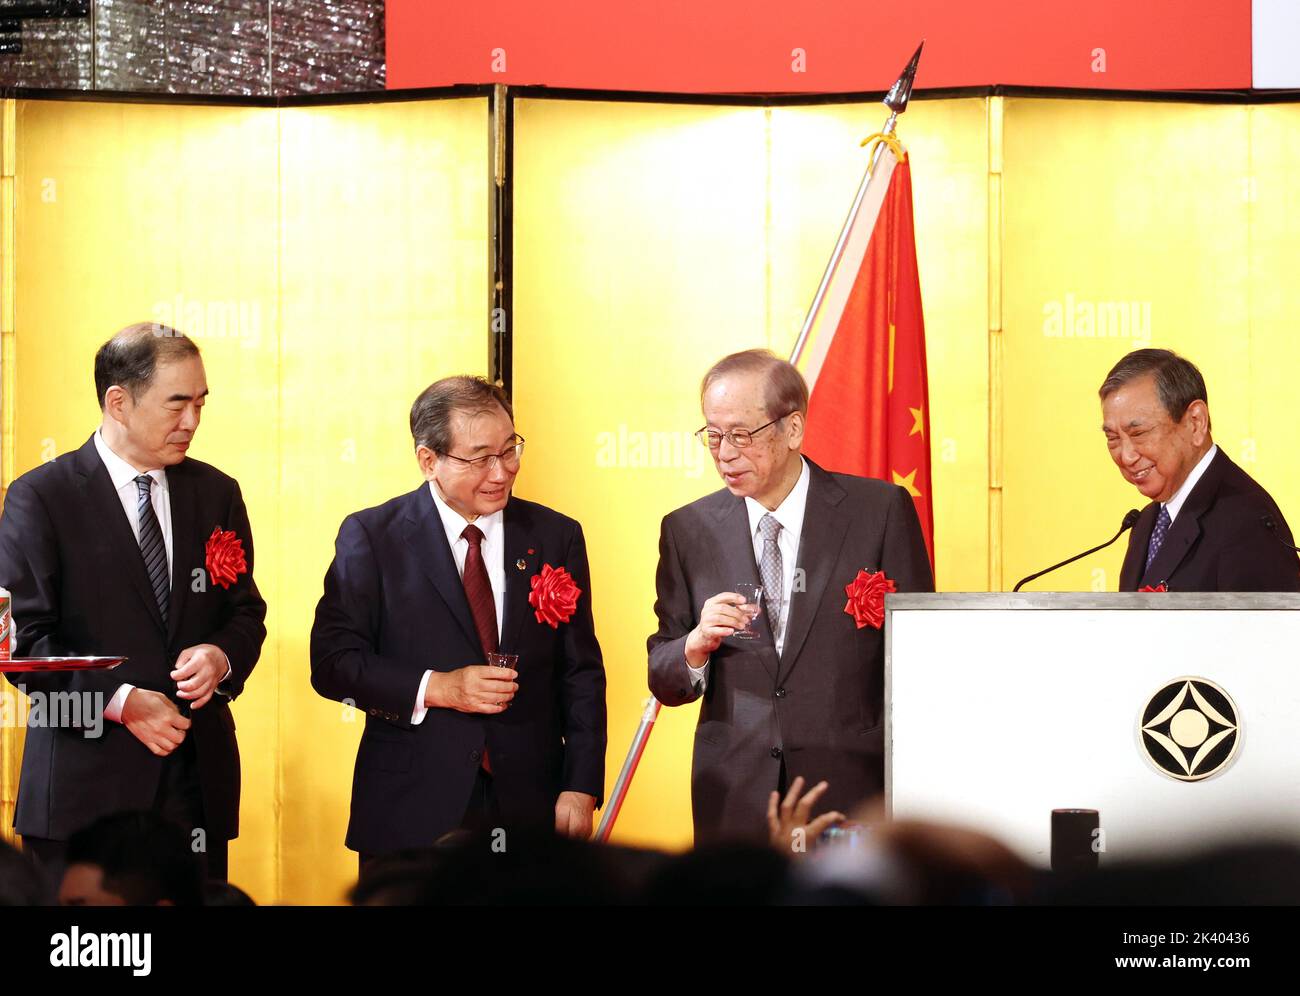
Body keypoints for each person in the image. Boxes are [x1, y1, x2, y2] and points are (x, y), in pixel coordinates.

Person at [0, 323, 266, 883]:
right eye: (177, 404)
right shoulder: (41, 497)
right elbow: (21, 644)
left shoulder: (216, 492)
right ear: (118, 402)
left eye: (200, 403)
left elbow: (245, 612)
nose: (192, 421)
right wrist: (120, 701)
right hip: (83, 794)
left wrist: (221, 657)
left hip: (195, 788)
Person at [311, 375, 606, 865]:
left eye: (510, 450)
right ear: (429, 460)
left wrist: (580, 785)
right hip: (411, 808)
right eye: (480, 458)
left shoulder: (556, 536)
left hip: (531, 806)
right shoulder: (374, 536)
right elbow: (333, 663)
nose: (502, 472)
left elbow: (581, 673)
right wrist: (440, 687)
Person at [648, 349, 934, 844]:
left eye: (741, 435)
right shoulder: (687, 530)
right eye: (713, 435)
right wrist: (694, 646)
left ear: (793, 429)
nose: (724, 453)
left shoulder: (879, 511)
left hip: (851, 787)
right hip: (735, 794)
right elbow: (664, 677)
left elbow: (920, 659)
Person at [1099, 348, 1300, 591]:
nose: (1126, 456)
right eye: (1113, 438)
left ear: (1195, 422)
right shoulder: (1144, 523)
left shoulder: (1247, 522)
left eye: (1139, 433)